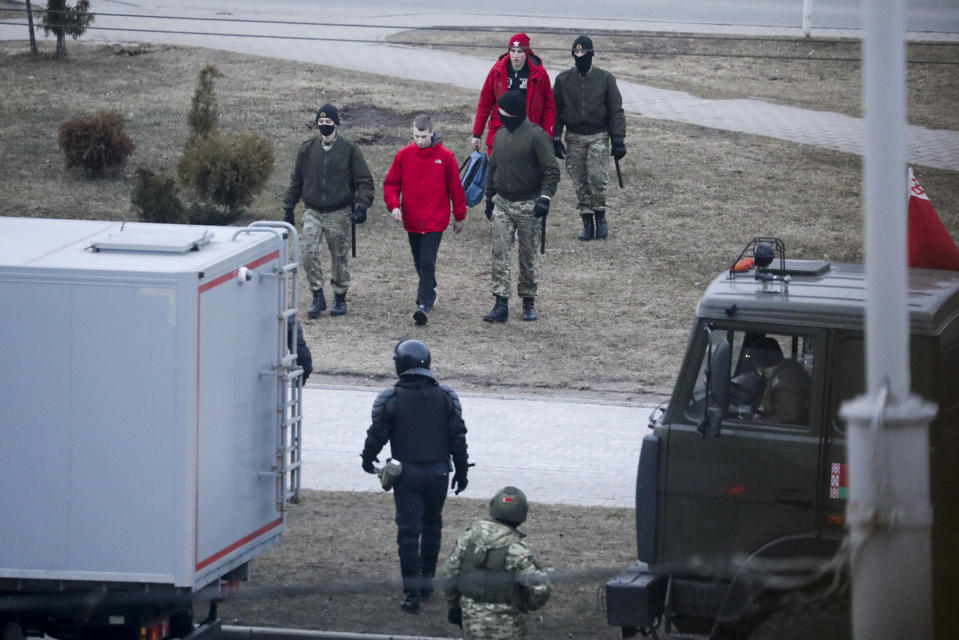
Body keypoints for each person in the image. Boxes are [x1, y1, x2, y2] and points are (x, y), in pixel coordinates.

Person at [360, 339, 470, 614]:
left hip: (407, 475)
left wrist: (367, 458)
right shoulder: (446, 397)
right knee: (433, 526)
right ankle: (426, 582)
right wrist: (462, 470)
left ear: (400, 365)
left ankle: (411, 594)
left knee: (408, 533)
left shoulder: (392, 398)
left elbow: (377, 434)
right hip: (438, 473)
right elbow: (458, 438)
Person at [283, 103, 374, 318]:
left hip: (339, 211)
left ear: (336, 124)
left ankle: (340, 296)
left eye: (328, 122)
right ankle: (317, 295)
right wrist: (289, 206)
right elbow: (297, 181)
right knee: (307, 253)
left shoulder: (349, 149)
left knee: (339, 256)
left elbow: (364, 180)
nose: (325, 125)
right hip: (312, 210)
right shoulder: (306, 149)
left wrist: (362, 206)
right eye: (321, 122)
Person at [482, 91, 560, 323]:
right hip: (503, 203)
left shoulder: (538, 137)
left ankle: (528, 301)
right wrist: (489, 197)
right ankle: (500, 303)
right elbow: (492, 168)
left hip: (529, 205)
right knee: (499, 254)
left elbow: (551, 171)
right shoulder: (500, 136)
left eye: (502, 112)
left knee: (528, 255)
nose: (499, 115)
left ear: (514, 114)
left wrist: (544, 198)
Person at [383, 114, 467, 326]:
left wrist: (459, 216)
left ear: (432, 133)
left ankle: (423, 304)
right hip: (412, 218)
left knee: (427, 261)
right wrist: (394, 206)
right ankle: (430, 289)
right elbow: (391, 184)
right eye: (416, 136)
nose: (419, 140)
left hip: (435, 220)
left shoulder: (446, 157)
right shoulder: (404, 155)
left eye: (423, 136)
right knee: (419, 260)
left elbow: (456, 188)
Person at [442, 486, 551, 639]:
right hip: (508, 625)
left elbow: (449, 574)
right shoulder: (516, 549)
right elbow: (541, 588)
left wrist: (454, 606)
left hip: (470, 619)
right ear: (522, 514)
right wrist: (527, 605)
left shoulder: (468, 538)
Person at [552, 35, 627, 241]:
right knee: (579, 180)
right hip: (574, 137)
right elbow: (556, 111)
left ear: (591, 55)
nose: (580, 57)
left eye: (583, 53)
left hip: (599, 136)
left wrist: (618, 139)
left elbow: (615, 110)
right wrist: (555, 137)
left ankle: (600, 216)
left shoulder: (605, 79)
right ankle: (587, 220)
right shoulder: (563, 81)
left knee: (597, 178)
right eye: (576, 53)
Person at [471, 33, 556, 154]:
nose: (515, 56)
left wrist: (547, 136)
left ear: (527, 53)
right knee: (498, 170)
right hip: (500, 130)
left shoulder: (539, 74)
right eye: (513, 51)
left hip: (529, 130)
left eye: (520, 51)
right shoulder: (497, 71)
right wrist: (477, 133)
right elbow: (485, 102)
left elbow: (549, 107)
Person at [740, 336, 812, 425]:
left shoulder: (785, 385)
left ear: (759, 365)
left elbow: (788, 420)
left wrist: (761, 422)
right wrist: (760, 412)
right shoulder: (787, 369)